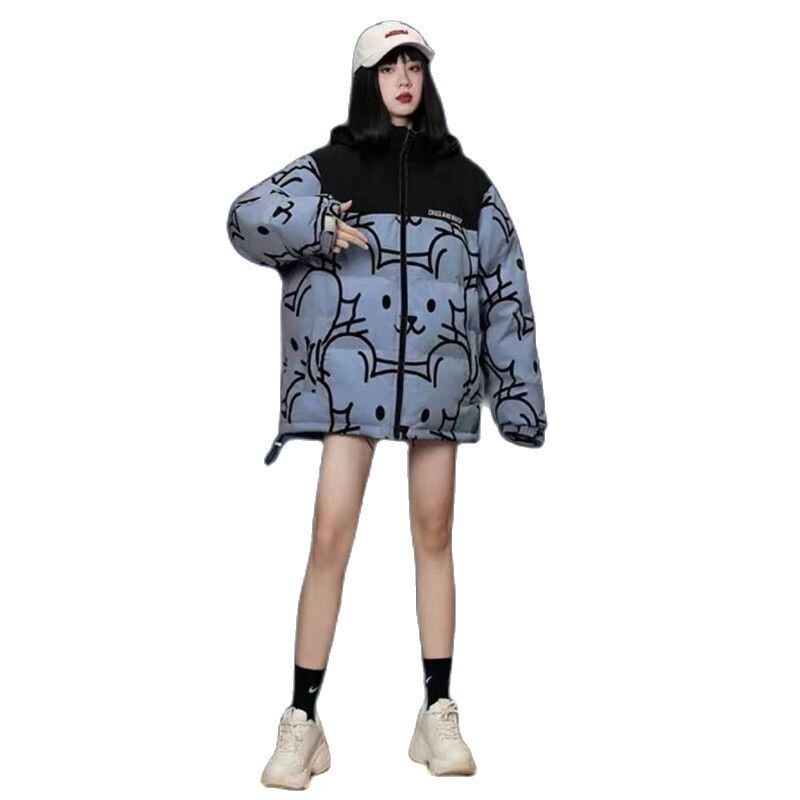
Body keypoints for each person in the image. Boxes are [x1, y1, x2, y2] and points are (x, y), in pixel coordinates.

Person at [226, 20, 547, 789]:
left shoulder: (466, 182)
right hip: (350, 382)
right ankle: (303, 720)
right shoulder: (329, 169)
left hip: (440, 380)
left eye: (414, 66)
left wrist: (519, 400)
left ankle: (437, 711)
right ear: (365, 80)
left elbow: (506, 290)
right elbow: (245, 217)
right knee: (329, 537)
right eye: (388, 67)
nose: (404, 78)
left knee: (434, 534)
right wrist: (317, 224)